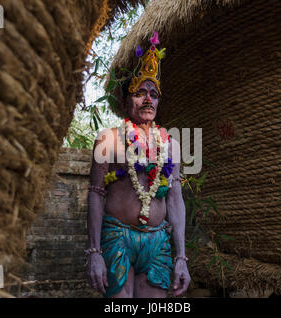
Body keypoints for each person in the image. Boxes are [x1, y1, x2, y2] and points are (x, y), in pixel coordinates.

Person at [86, 32, 191, 298]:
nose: (147, 99)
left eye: (153, 94)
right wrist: (94, 253)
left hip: (157, 241)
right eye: (140, 93)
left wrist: (181, 257)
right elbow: (96, 194)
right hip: (116, 238)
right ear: (125, 102)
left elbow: (175, 199)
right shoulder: (107, 140)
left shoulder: (171, 145)